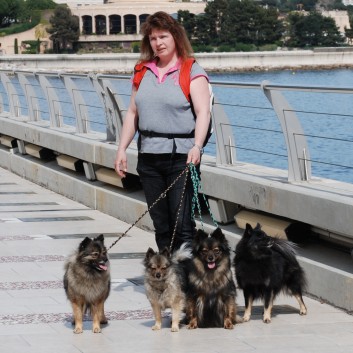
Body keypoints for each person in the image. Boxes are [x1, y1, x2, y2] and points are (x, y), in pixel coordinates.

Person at [114, 11, 210, 251]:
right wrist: (121, 149)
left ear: (175, 37)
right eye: (153, 38)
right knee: (161, 224)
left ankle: (187, 281)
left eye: (163, 36)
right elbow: (132, 113)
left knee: (181, 224)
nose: (158, 43)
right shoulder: (142, 71)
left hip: (182, 158)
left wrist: (197, 146)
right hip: (149, 158)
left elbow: (203, 113)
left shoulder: (192, 71)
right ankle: (168, 280)